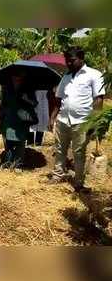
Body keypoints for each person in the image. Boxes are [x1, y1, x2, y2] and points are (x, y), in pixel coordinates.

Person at [44, 46, 105, 193]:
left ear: (81, 59)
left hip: (82, 122)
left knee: (79, 152)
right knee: (59, 149)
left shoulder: (94, 75)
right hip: (63, 120)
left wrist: (94, 122)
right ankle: (58, 175)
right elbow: (58, 99)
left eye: (71, 60)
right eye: (67, 61)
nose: (68, 63)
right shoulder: (66, 77)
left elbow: (98, 100)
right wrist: (52, 118)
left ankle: (79, 183)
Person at [0, 69, 38, 170]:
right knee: (8, 143)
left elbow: (34, 103)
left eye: (20, 76)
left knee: (20, 143)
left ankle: (18, 164)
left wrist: (27, 99)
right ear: (11, 77)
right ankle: (8, 163)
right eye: (15, 76)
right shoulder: (6, 88)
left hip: (21, 120)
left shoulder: (28, 89)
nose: (17, 78)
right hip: (9, 119)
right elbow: (3, 104)